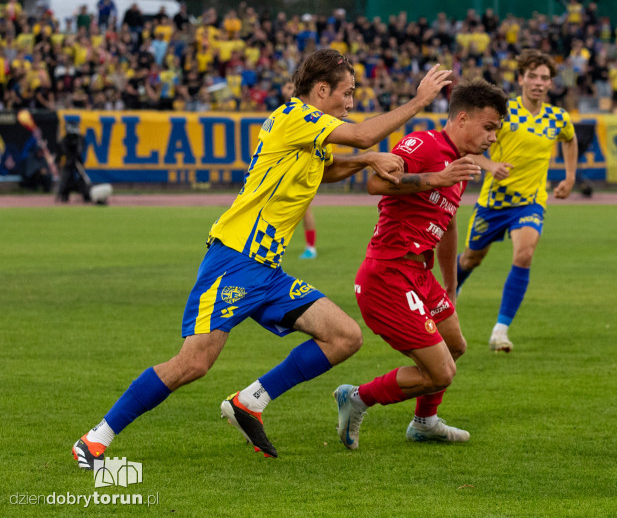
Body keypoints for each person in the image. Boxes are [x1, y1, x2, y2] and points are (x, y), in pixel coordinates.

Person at [72, 50, 452, 470]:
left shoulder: (307, 131)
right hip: (235, 258)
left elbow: (325, 170)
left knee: (344, 336)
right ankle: (94, 440)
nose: (350, 101)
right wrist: (419, 102)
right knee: (194, 362)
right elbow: (362, 135)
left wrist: (365, 160)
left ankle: (250, 401)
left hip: (266, 270)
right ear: (321, 90)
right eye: (346, 92)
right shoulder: (296, 117)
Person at [333, 80, 508, 449]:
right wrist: (436, 178)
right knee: (442, 372)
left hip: (419, 274)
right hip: (388, 273)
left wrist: (450, 284)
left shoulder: (460, 165)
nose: (493, 137)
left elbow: (447, 224)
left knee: (456, 344)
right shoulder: (425, 144)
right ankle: (357, 398)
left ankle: (424, 423)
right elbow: (375, 183)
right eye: (489, 127)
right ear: (462, 119)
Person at [455, 50, 578, 351]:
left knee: (524, 254)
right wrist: (490, 166)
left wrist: (571, 176)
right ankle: (447, 296)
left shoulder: (557, 117)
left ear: (551, 84)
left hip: (530, 201)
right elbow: (466, 146)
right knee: (472, 258)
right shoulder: (503, 113)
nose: (538, 83)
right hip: (493, 204)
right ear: (521, 78)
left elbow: (570, 139)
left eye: (544, 78)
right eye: (532, 76)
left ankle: (500, 331)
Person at [56, 119, 91, 203]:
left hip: (77, 160)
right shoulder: (65, 139)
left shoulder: (80, 139)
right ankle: (63, 195)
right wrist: (70, 157)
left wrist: (76, 157)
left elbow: (82, 148)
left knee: (81, 177)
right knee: (66, 177)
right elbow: (62, 151)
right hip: (69, 161)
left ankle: (87, 195)